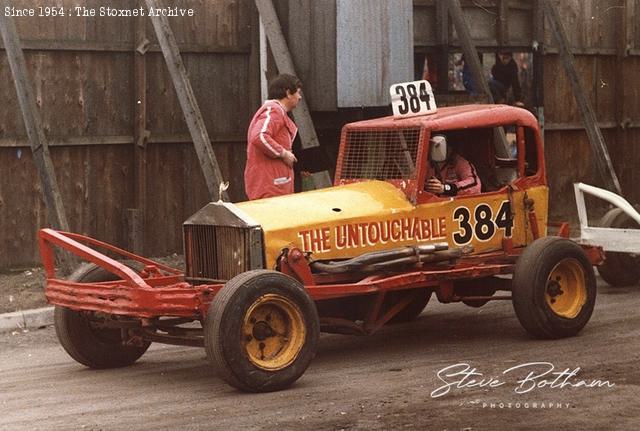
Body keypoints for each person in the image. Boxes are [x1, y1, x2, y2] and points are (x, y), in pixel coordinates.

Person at [244, 74, 302, 200]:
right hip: (270, 185)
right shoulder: (274, 109)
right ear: (288, 93)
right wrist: (284, 153)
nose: (300, 97)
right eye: (297, 92)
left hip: (275, 184)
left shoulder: (277, 112)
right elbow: (259, 136)